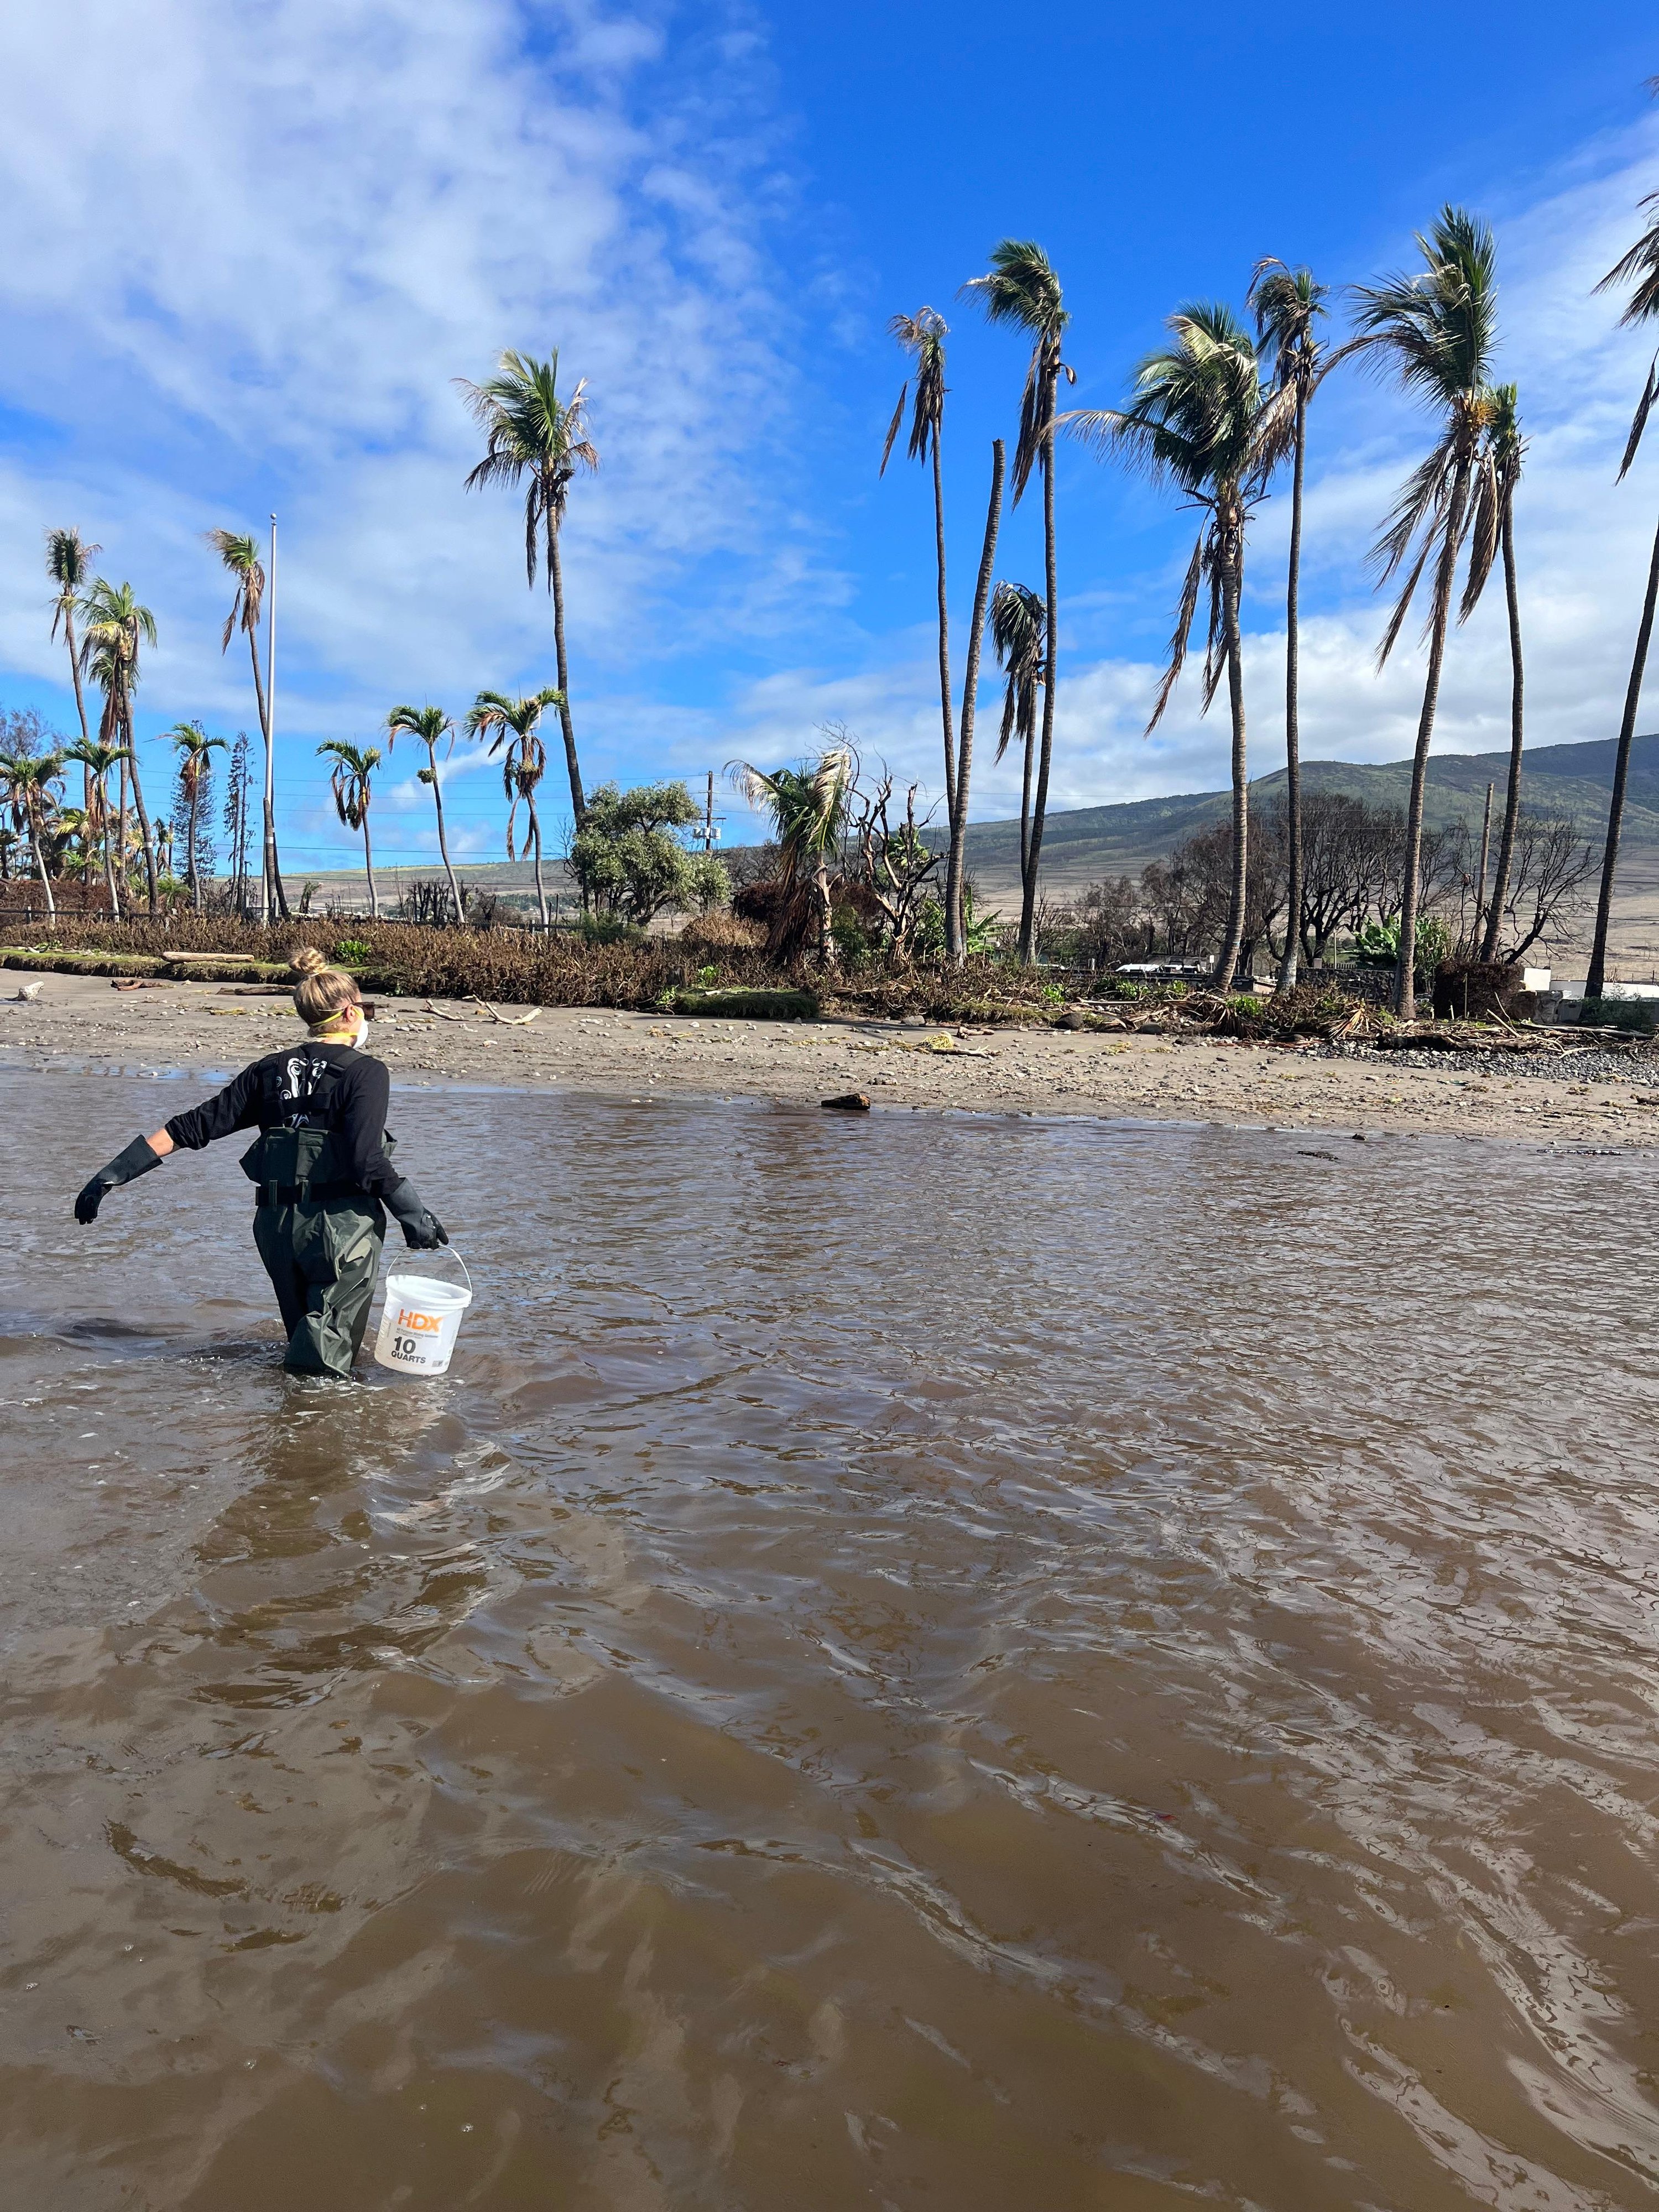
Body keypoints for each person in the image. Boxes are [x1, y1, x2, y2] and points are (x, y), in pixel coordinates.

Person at [74, 947, 447, 1379]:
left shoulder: (268, 1070)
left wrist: (111, 1175)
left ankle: (287, 1419)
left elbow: (193, 1127)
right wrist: (412, 1212)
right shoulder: (366, 1072)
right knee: (326, 1358)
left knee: (304, 1340)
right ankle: (311, 1431)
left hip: (277, 1226)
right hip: (341, 1227)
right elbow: (367, 1161)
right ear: (349, 1012)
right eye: (363, 1007)